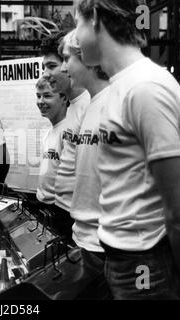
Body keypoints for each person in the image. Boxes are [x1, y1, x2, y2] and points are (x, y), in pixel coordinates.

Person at [75, 0, 180, 299]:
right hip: (125, 258)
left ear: (95, 18)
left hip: (144, 263)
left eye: (77, 24)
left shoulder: (145, 87)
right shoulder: (124, 85)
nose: (74, 37)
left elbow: (177, 208)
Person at [59, 29, 111, 299]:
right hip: (86, 238)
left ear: (87, 57)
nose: (64, 66)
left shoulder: (115, 103)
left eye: (68, 58)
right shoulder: (92, 104)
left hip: (108, 246)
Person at [40, 32, 91, 241]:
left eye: (51, 66)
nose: (45, 74)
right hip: (64, 213)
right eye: (44, 67)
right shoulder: (73, 107)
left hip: (80, 221)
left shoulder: (89, 105)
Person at [35, 74, 68, 218]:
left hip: (59, 209)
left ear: (64, 98)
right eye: (38, 96)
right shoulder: (48, 132)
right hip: (45, 206)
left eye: (47, 96)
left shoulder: (69, 132)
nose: (40, 102)